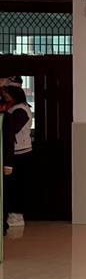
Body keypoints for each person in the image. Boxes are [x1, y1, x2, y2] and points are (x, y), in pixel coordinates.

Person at [4, 85, 32, 228]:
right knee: (15, 185)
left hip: (20, 153)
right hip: (17, 151)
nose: (5, 96)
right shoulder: (15, 107)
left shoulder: (20, 110)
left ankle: (17, 214)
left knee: (17, 185)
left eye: (7, 94)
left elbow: (12, 130)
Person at [1, 90, 14, 235]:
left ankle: (2, 225)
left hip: (2, 162)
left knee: (2, 194)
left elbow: (9, 142)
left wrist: (8, 164)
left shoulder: (6, 117)